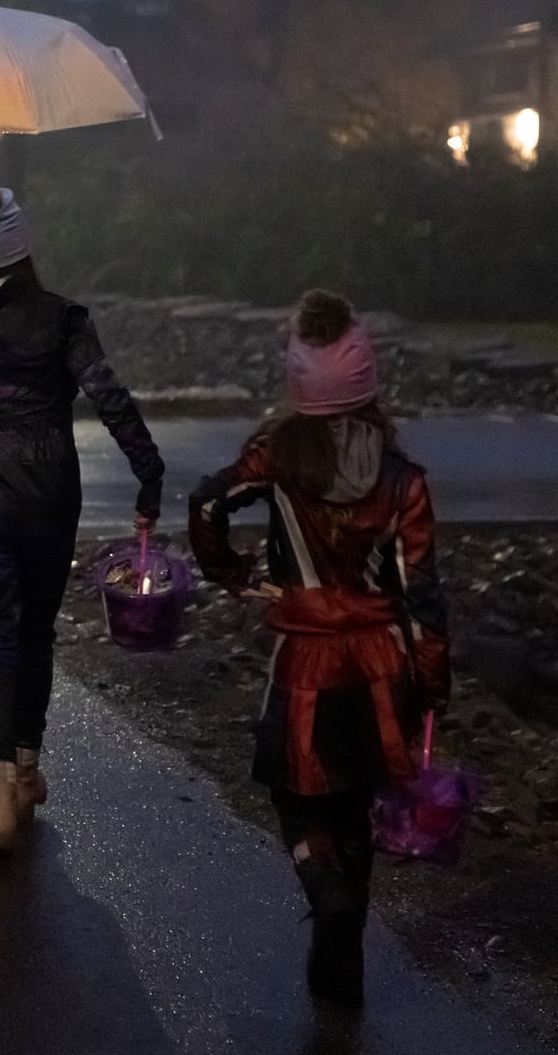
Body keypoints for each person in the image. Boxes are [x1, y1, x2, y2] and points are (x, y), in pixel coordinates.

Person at [188, 291, 448, 1009]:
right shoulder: (404, 481)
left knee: (298, 801)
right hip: (380, 664)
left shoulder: (277, 456)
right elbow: (422, 594)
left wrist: (233, 575)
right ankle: (345, 963)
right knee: (357, 803)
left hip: (304, 660)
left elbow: (207, 504)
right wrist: (432, 683)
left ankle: (321, 887)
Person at [0, 185, 162, 855]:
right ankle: (25, 766)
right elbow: (108, 394)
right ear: (20, 243)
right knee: (37, 633)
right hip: (50, 492)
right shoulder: (62, 319)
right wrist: (148, 468)